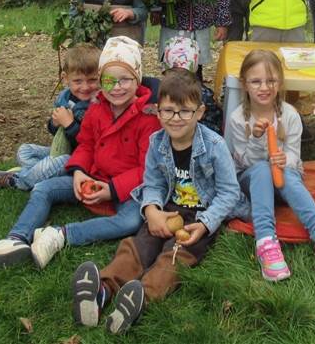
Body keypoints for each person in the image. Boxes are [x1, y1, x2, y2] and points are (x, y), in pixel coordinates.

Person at [69, 69, 245, 334]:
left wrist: (206, 224)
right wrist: (151, 210)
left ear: (199, 112)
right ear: (157, 112)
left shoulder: (214, 146)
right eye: (168, 111)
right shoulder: (157, 142)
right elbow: (153, 184)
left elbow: (229, 193)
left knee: (174, 254)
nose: (176, 118)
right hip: (168, 208)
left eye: (184, 111)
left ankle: (141, 297)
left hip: (201, 214)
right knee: (140, 245)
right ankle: (102, 290)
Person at [0, 37, 160, 271]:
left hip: (127, 190)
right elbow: (86, 145)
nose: (116, 87)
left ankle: (60, 235)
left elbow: (147, 167)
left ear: (137, 80)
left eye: (125, 80)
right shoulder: (97, 108)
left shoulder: (149, 118)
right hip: (93, 178)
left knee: (130, 221)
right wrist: (78, 172)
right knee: (43, 188)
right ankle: (15, 239)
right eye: (109, 79)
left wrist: (113, 190)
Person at [225, 49, 315, 281]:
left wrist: (285, 159)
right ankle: (266, 242)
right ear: (245, 84)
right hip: (253, 184)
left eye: (271, 80)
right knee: (261, 169)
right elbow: (244, 161)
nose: (264, 87)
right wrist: (257, 139)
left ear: (279, 82)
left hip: (285, 181)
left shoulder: (290, 115)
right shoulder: (238, 118)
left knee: (284, 171)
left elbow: (295, 156)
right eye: (256, 81)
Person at [0, 43, 101, 190]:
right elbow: (56, 133)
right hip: (62, 149)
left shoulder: (99, 103)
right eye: (78, 81)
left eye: (92, 80)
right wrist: (55, 124)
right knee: (25, 151)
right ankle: (38, 173)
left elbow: (93, 144)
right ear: (65, 78)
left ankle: (16, 180)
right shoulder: (65, 97)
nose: (85, 87)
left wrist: (70, 125)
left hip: (81, 159)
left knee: (61, 162)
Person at [160, 35, 224, 134]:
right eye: (173, 73)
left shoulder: (203, 95)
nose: (178, 78)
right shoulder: (161, 91)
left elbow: (215, 125)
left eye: (184, 73)